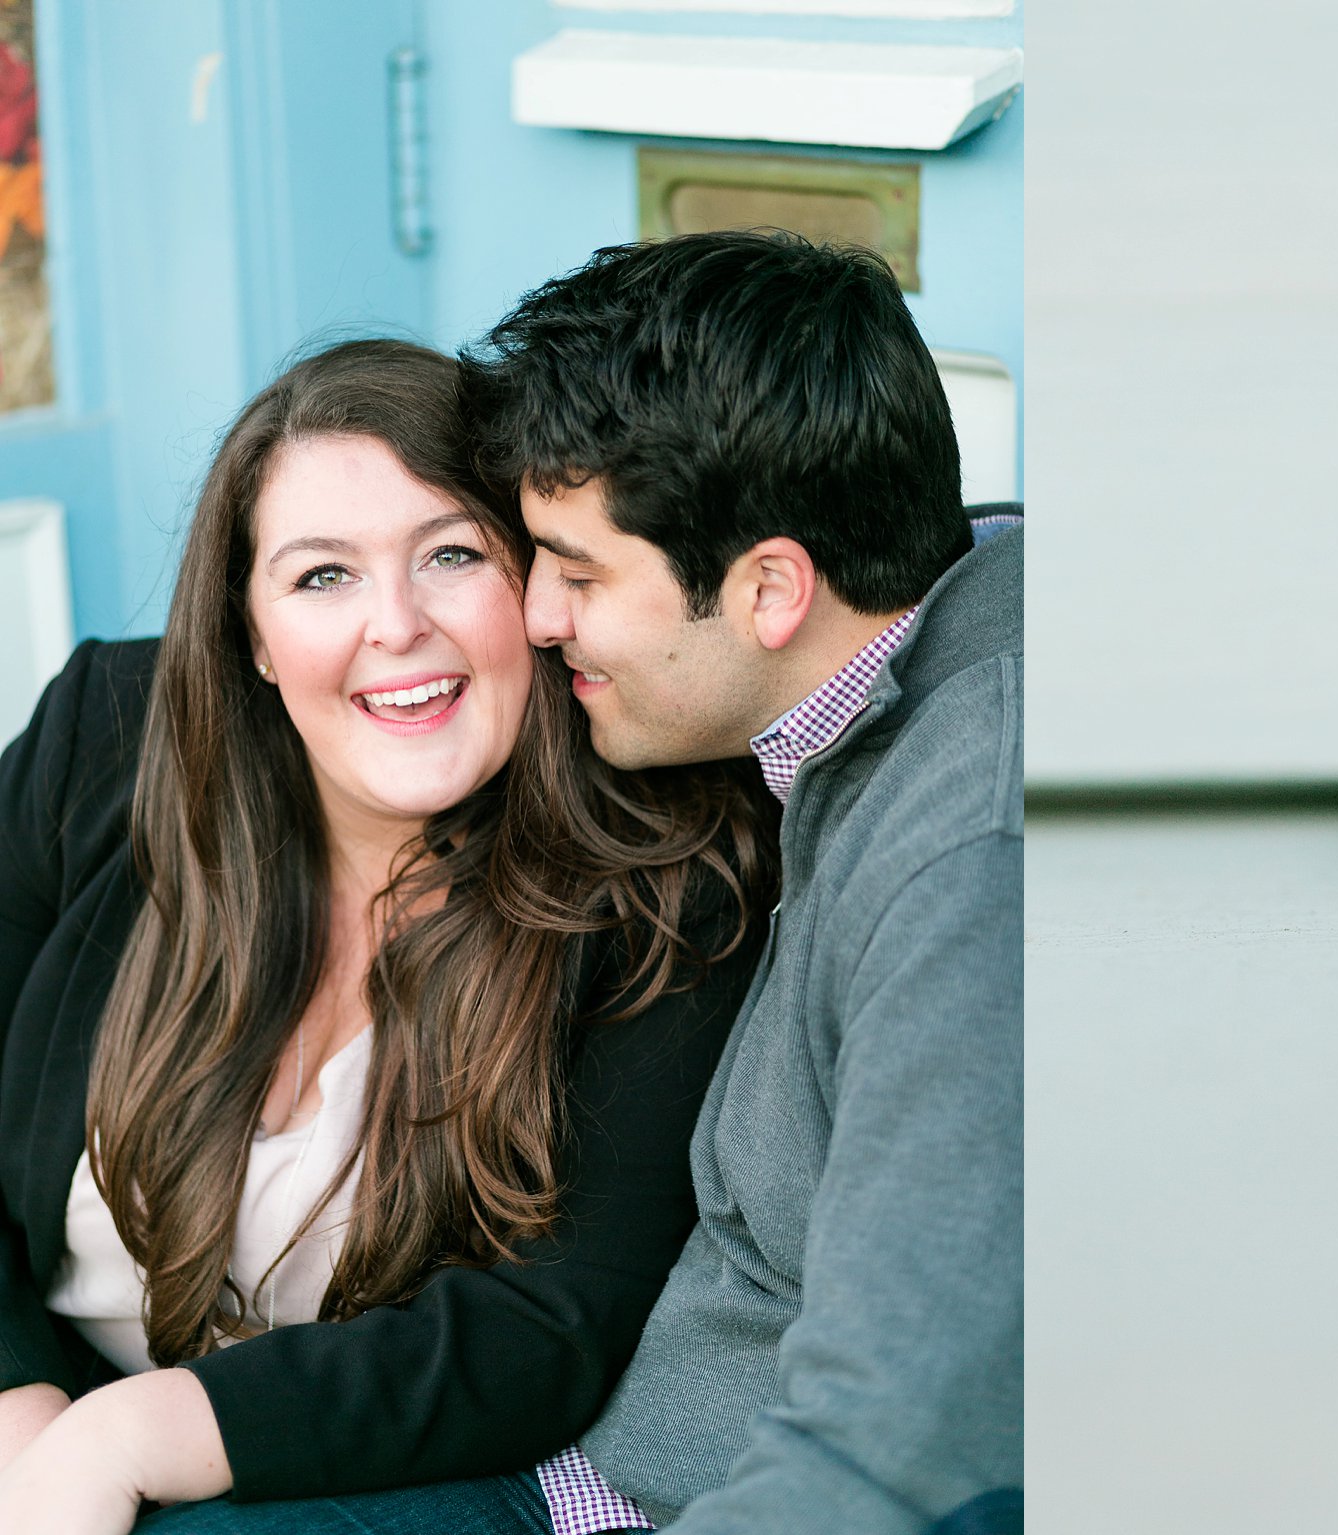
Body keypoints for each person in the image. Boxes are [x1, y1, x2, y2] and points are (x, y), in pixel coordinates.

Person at [0, 339, 777, 1532]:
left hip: (324, 1484)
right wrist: (28, 1419)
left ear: (539, 589)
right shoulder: (103, 741)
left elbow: (554, 1324)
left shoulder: (668, 875)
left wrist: (129, 1438)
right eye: (321, 577)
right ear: (252, 633)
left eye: (452, 555)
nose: (396, 624)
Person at [466, 230, 1024, 1535]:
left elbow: (895, 1439)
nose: (538, 615)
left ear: (772, 587)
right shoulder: (868, 700)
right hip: (603, 1458)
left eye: (582, 570)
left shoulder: (969, 868)